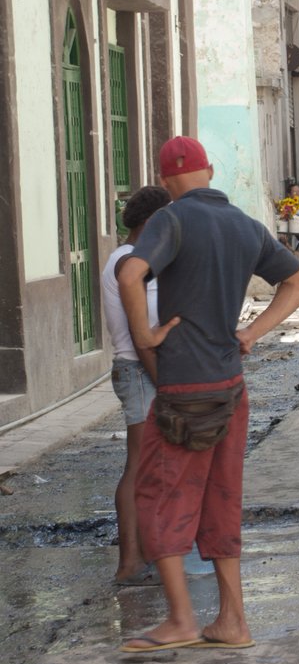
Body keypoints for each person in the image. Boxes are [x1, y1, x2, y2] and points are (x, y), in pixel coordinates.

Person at [117, 137, 299, 652]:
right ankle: (232, 620)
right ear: (208, 170)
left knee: (160, 496)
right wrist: (251, 333)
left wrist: (145, 336)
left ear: (166, 181)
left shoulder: (171, 219)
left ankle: (181, 619)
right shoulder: (245, 225)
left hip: (184, 388)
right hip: (230, 387)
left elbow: (131, 274)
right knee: (222, 498)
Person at [101, 185, 171, 586]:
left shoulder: (138, 259)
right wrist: (163, 383)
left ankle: (145, 552)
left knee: (150, 467)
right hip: (138, 369)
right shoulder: (128, 262)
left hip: (147, 368)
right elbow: (139, 331)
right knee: (139, 466)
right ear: (152, 223)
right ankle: (130, 561)